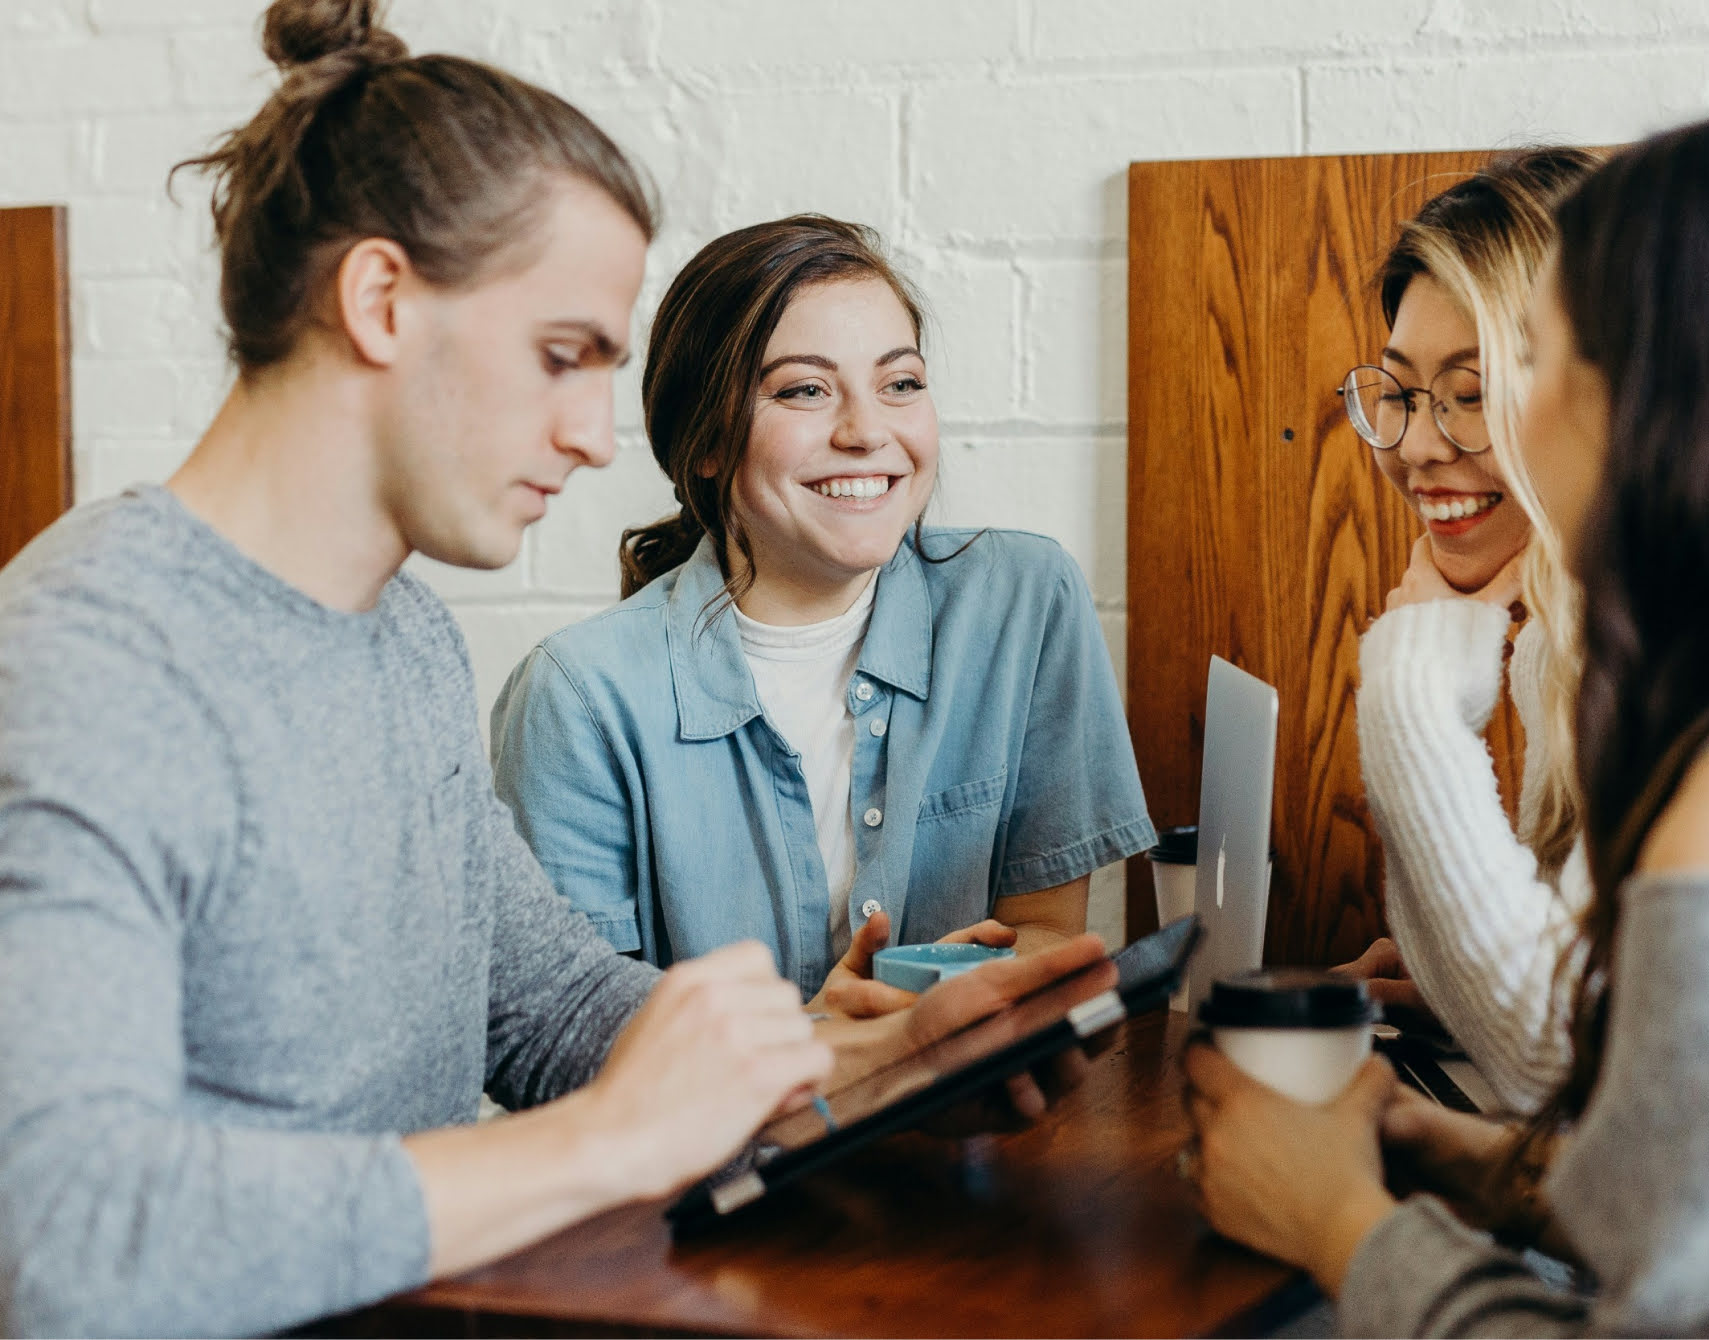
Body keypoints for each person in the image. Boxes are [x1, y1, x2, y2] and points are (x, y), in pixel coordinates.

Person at [0, 6, 1108, 1335]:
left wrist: (868, 1068)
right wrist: (606, 1147)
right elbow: (64, 1240)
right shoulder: (83, 664)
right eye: (560, 356)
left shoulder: (397, 638)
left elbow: (550, 1006)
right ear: (381, 300)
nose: (595, 438)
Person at [1187, 106, 1709, 1335]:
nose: (1466, 433)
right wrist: (1473, 1163)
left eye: (1537, 361)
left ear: (1677, 392)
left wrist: (1338, 1223)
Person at [490, 215, 1154, 1016]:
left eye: (899, 383)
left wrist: (917, 1026)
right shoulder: (577, 697)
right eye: (804, 390)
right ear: (703, 442)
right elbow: (575, 1039)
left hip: (969, 1124)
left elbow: (1045, 933)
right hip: (724, 1141)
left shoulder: (1023, 601)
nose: (867, 431)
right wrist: (828, 1044)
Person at [1335, 148, 1599, 1113]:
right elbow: (1575, 1023)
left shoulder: (1666, 647)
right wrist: (1452, 982)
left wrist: (1410, 692)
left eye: (1473, 391)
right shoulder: (1560, 640)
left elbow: (1554, 1063)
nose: (1415, 445)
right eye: (1400, 392)